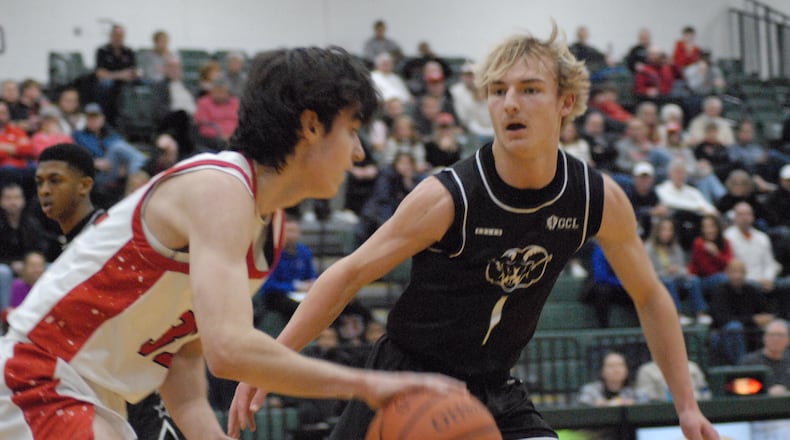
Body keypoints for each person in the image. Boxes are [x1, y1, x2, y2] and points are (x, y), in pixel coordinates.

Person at [232, 26, 720, 440]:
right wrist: (272, 360)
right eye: (498, 90)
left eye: (530, 89)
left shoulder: (595, 197)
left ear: (565, 102)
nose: (511, 103)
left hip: (495, 386)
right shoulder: (449, 196)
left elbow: (651, 295)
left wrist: (687, 406)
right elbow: (348, 274)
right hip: (407, 380)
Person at [0, 46, 464, 440]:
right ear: (311, 125)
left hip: (90, 396)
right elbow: (231, 351)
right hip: (37, 379)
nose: (360, 152)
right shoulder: (220, 191)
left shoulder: (267, 225)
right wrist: (369, 385)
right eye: (351, 129)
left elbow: (184, 363)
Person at [36, 142, 188, 439]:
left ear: (85, 185)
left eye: (55, 180)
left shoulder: (106, 237)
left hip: (133, 389)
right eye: (39, 182)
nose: (44, 190)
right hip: (95, 390)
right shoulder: (72, 244)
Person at [709, 259, 775, 365]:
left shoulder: (752, 290)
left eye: (740, 272)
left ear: (745, 274)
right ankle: (741, 366)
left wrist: (767, 318)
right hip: (723, 333)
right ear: (727, 273)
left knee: (779, 327)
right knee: (734, 328)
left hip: (751, 331)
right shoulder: (720, 291)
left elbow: (766, 311)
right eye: (734, 272)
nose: (737, 276)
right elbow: (722, 319)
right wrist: (752, 320)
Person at [739, 319, 790, 396]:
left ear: (788, 340)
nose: (776, 339)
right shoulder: (749, 362)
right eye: (772, 335)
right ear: (764, 338)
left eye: (780, 335)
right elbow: (740, 389)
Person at [577, 351, 648, 406]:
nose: (616, 370)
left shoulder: (636, 391)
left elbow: (646, 406)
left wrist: (634, 404)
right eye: (611, 366)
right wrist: (595, 407)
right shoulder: (590, 390)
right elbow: (583, 405)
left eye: (620, 365)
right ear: (602, 371)